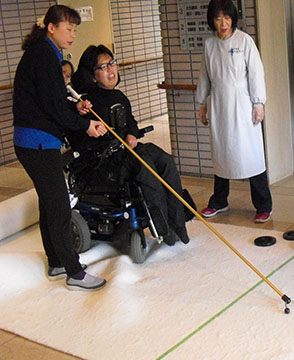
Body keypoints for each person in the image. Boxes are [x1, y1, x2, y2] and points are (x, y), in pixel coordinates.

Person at [12, 5, 107, 291]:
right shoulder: (43, 55)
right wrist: (85, 125)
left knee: (49, 203)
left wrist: (75, 108)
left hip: (36, 141)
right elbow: (52, 107)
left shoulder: (46, 52)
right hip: (37, 142)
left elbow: (51, 100)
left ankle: (56, 260)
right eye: (69, 28)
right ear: (51, 27)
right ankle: (73, 271)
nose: (73, 34)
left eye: (75, 29)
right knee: (59, 206)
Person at [69, 44, 190, 246]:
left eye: (112, 63)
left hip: (127, 150)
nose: (111, 70)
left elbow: (131, 122)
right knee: (146, 167)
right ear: (92, 75)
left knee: (165, 160)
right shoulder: (85, 104)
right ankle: (164, 229)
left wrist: (132, 134)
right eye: (103, 67)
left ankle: (178, 224)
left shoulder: (119, 96)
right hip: (105, 160)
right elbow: (82, 138)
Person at [196, 0, 272, 223]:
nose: (223, 23)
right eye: (218, 18)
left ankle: (264, 205)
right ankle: (219, 200)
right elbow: (204, 76)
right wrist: (202, 103)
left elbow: (256, 74)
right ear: (212, 20)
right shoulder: (209, 45)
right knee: (222, 152)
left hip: (243, 104)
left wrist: (259, 104)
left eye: (227, 17)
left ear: (233, 18)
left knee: (251, 154)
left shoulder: (245, 41)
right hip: (219, 104)